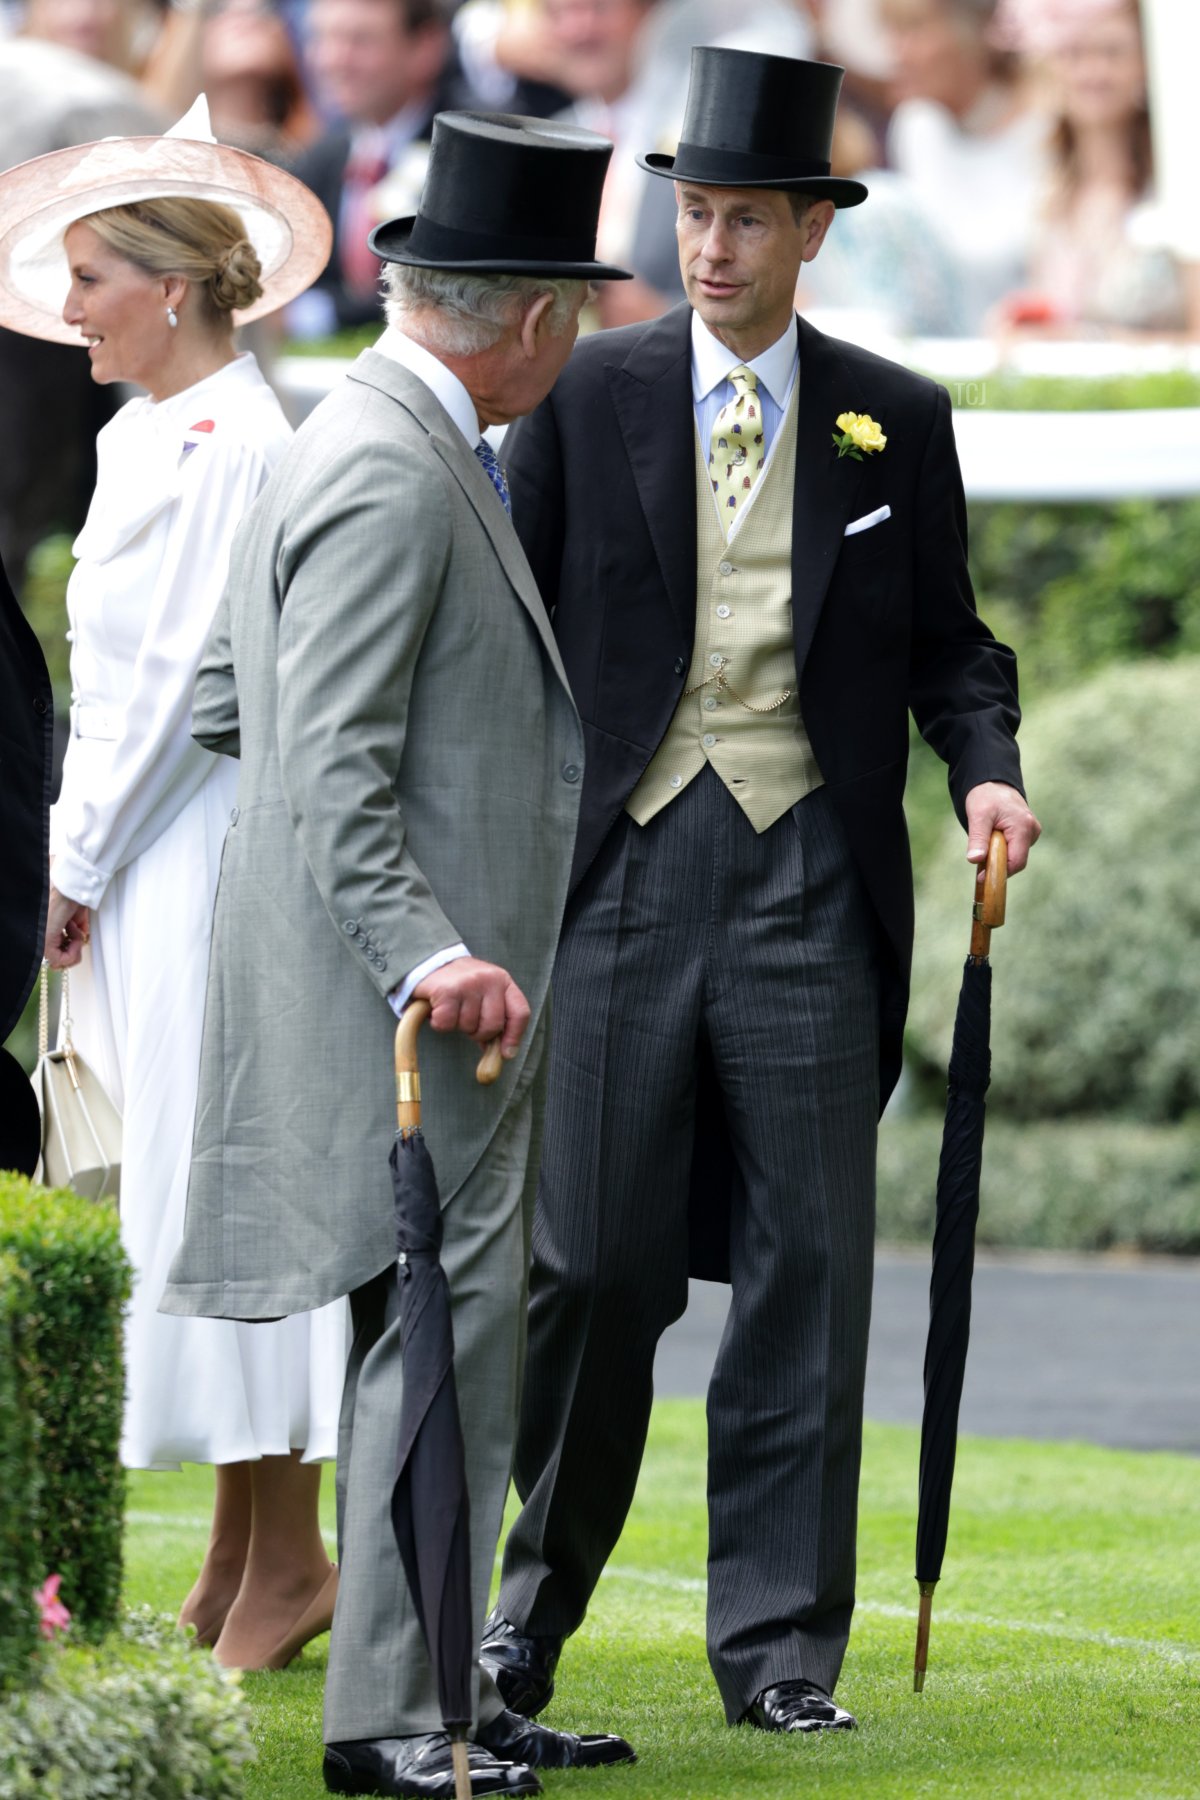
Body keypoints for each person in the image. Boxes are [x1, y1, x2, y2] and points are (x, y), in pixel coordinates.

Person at [479, 47, 1041, 1736]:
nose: (711, 245)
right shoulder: (586, 397)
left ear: (813, 231)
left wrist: (991, 765)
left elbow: (956, 646)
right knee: (591, 1268)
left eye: (745, 219)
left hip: (812, 885)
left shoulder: (893, 416)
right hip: (629, 877)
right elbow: (506, 633)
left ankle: (783, 1656)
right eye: (694, 212)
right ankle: (522, 1625)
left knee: (811, 1271)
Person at [161, 110, 638, 1798]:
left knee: (439, 1342)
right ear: (526, 319)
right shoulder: (382, 455)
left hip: (400, 987)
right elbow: (332, 756)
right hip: (430, 1002)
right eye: (572, 314)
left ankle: (438, 1685)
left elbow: (238, 708)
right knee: (438, 1350)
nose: (572, 345)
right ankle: (394, 1722)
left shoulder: (346, 431)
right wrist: (425, 944)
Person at [0, 98, 347, 1672]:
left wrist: (68, 862)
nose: (66, 310)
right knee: (162, 1189)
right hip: (139, 858)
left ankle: (292, 1558)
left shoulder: (236, 442)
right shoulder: (145, 430)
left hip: (198, 856)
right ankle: (236, 1546)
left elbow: (178, 694)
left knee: (216, 1191)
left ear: (179, 288)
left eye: (89, 279)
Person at [993, 0, 1192, 336]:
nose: (1092, 72)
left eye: (1112, 53)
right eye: (1073, 53)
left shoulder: (1178, 189)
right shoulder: (1043, 192)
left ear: (1146, 62)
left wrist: (1086, 341)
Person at [289, 0, 482, 337]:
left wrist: (320, 315)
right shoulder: (322, 157)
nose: (333, 60)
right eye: (322, 38)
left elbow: (453, 293)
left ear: (426, 47)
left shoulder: (472, 152)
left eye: (360, 41)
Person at [882, 0, 1044, 331]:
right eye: (893, 31)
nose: (898, 53)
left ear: (975, 33)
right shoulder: (917, 126)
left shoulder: (1048, 127)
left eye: (915, 29)